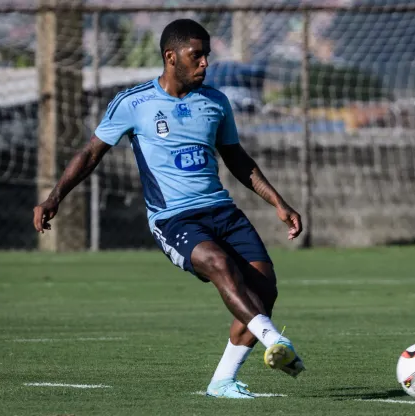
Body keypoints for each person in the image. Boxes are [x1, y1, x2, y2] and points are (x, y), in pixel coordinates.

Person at [32, 18, 305, 399]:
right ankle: (275, 340)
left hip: (222, 211)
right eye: (197, 56)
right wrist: (54, 196)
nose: (205, 63)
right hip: (173, 217)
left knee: (264, 292)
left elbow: (237, 158)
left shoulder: (216, 102)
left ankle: (223, 381)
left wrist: (278, 202)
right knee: (217, 263)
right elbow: (91, 152)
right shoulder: (134, 103)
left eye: (207, 55)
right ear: (170, 56)